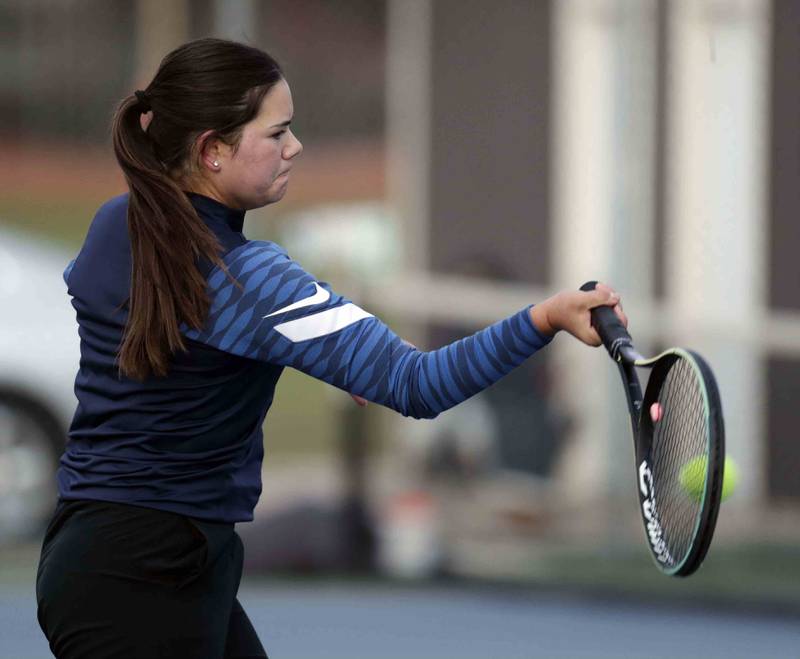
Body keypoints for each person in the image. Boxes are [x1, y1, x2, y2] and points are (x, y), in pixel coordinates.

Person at [35, 37, 627, 659]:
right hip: (144, 578)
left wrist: (315, 352)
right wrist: (545, 318)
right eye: (277, 133)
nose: (295, 147)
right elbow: (415, 385)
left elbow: (184, 345)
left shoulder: (117, 224)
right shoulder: (248, 276)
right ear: (212, 150)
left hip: (107, 556)